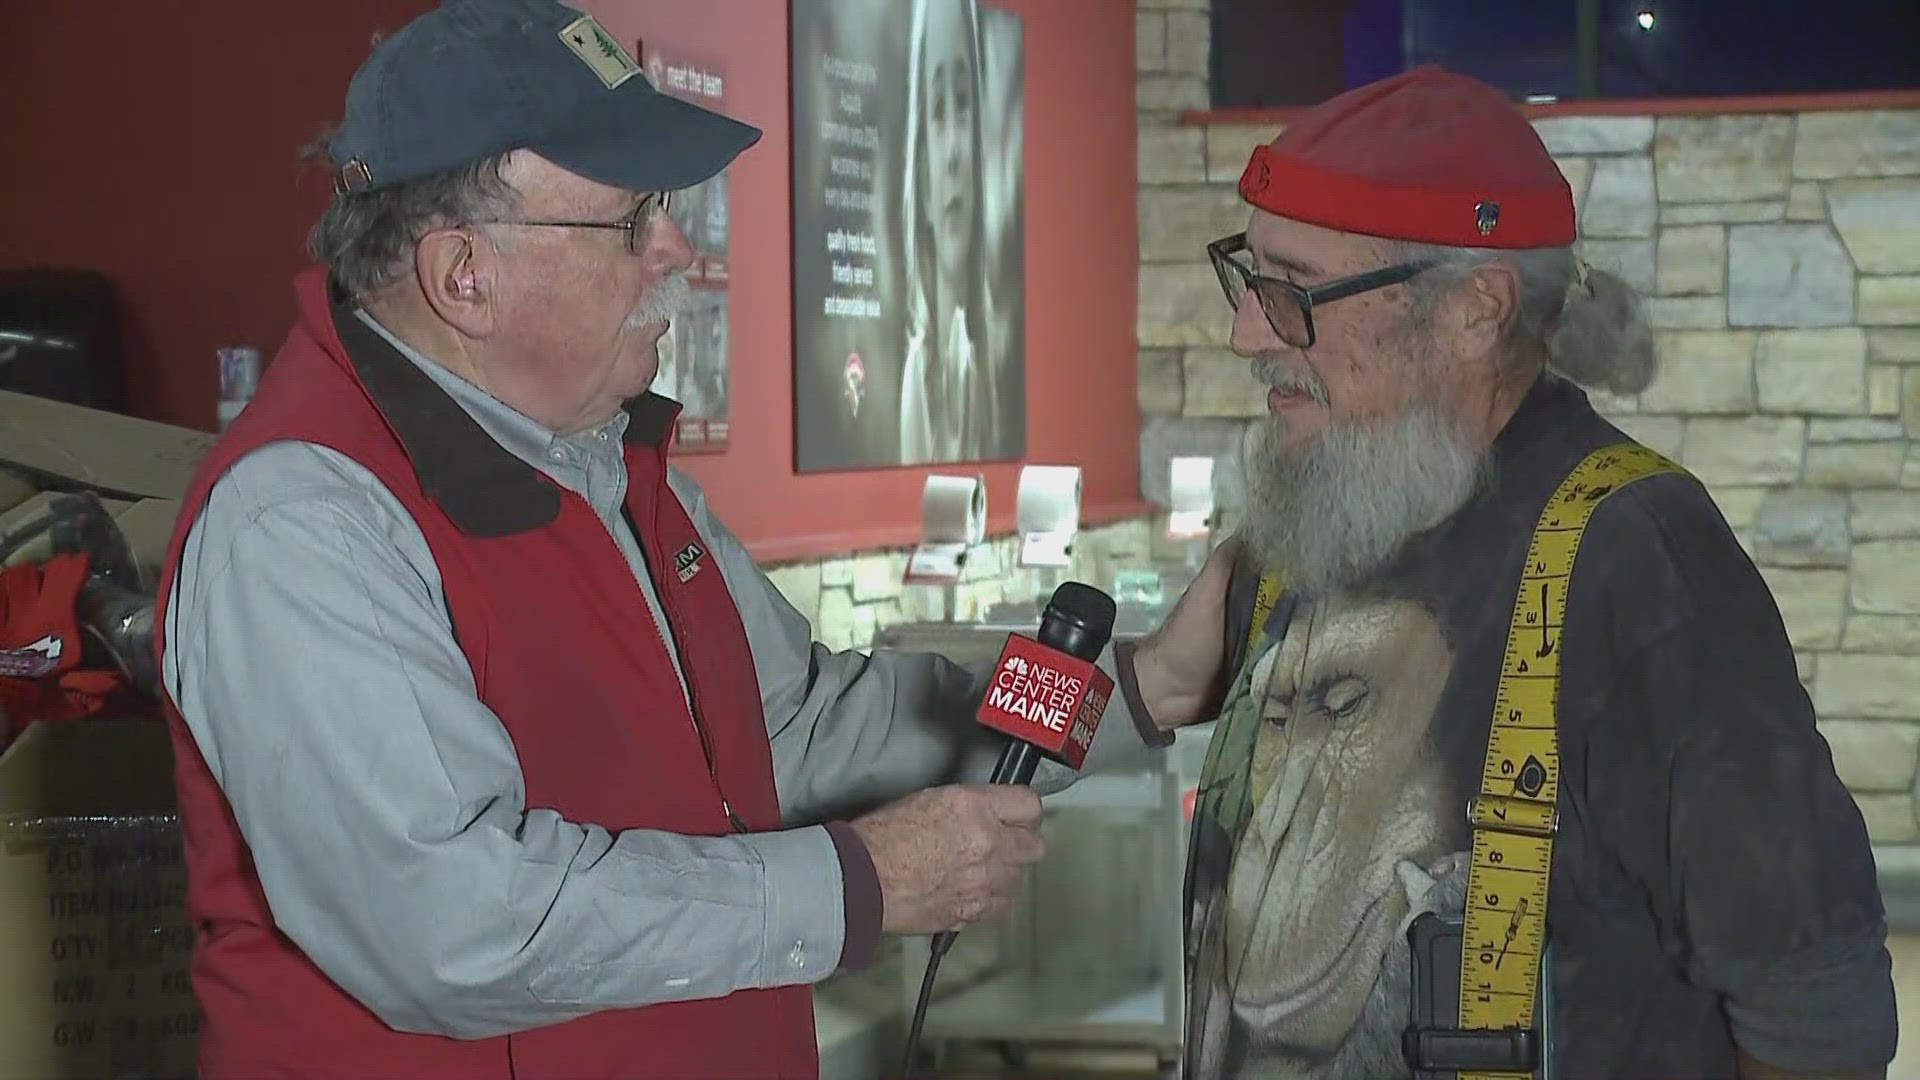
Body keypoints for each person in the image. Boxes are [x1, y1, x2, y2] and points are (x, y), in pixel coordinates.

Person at [150, 3, 1223, 1077]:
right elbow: (457, 923)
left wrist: (1140, 691)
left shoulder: (607, 464)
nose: (675, 245)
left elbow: (800, 732)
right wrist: (859, 883)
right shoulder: (305, 521)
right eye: (626, 222)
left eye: (662, 206)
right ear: (461, 274)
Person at [1130, 66, 1900, 1079]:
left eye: (1294, 292)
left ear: (1476, 310)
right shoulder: (1317, 517)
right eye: (1249, 275)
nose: (1244, 333)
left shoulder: (1637, 555)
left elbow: (1816, 1020)